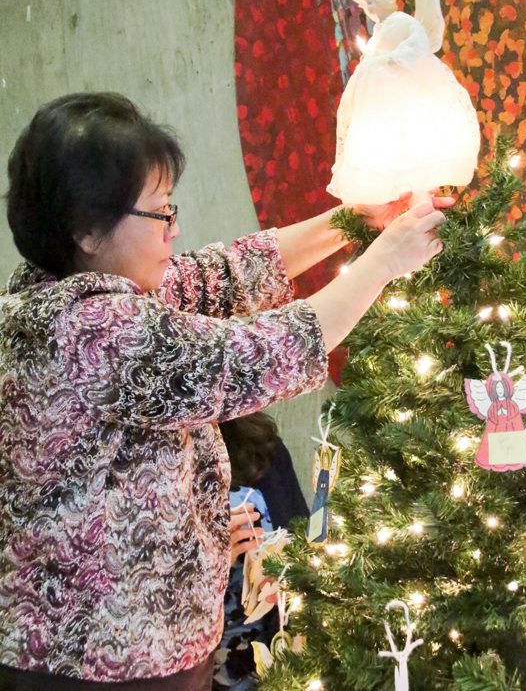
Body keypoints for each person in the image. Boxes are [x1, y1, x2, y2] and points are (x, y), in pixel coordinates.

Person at [0, 92, 451, 690]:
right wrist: (386, 260)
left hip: (133, 648)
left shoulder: (63, 290)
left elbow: (222, 273)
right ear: (86, 227)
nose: (175, 228)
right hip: (104, 664)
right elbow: (253, 356)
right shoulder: (90, 331)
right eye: (160, 212)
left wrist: (350, 223)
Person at [213, 412, 308, 690]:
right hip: (196, 670)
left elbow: (303, 550)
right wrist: (208, 561)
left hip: (280, 667)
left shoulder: (265, 448)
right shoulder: (150, 468)